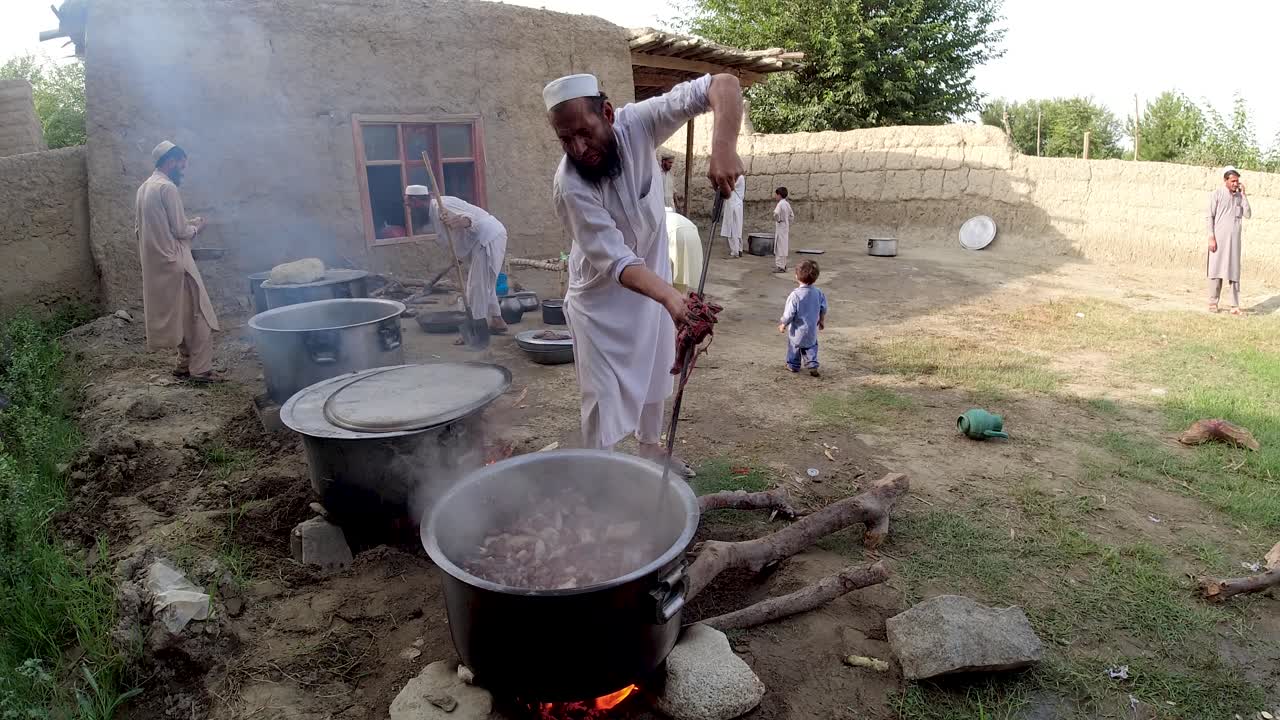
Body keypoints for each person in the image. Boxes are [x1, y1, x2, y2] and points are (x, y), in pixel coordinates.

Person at [544, 71, 743, 475]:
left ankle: (650, 448)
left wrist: (723, 146)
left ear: (608, 113)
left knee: (655, 372)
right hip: (601, 303)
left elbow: (723, 84)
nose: (579, 149)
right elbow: (617, 261)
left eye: (585, 132)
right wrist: (672, 298)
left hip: (653, 284)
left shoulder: (640, 123)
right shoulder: (570, 186)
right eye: (566, 140)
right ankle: (600, 473)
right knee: (602, 397)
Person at [135, 141, 221, 383]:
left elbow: (152, 228)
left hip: (158, 265)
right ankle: (201, 370)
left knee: (182, 316)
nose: (183, 168)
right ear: (170, 161)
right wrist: (198, 226)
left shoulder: (144, 188)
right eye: (181, 163)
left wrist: (186, 223)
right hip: (176, 262)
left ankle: (183, 366)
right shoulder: (167, 187)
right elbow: (181, 230)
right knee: (200, 315)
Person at [405, 185, 509, 339]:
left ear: (416, 201)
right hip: (479, 241)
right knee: (485, 284)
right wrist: (458, 255)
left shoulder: (441, 205)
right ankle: (497, 321)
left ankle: (476, 331)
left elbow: (469, 219)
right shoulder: (433, 211)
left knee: (477, 286)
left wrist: (458, 221)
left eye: (409, 205)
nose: (409, 210)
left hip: (487, 238)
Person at [1206, 166, 1251, 315]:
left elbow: (1248, 214)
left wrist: (1244, 195)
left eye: (1237, 181)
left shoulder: (1239, 197)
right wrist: (1211, 236)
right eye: (1232, 181)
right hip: (1218, 240)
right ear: (1225, 180)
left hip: (1234, 243)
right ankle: (1213, 302)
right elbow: (1209, 216)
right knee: (1215, 270)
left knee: (1234, 272)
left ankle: (1234, 305)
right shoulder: (1217, 194)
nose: (1235, 184)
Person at [778, 259, 826, 377]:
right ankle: (812, 364)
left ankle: (793, 365)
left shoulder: (795, 295)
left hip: (797, 330)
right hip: (811, 329)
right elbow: (823, 308)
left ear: (796, 276)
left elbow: (790, 313)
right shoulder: (818, 292)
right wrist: (822, 320)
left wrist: (783, 323)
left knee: (794, 346)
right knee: (811, 345)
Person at [720, 174, 745, 258]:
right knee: (735, 228)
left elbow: (731, 186)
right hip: (732, 204)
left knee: (734, 228)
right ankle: (738, 249)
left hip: (735, 205)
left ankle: (735, 251)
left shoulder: (740, 178)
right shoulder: (736, 177)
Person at [772, 186, 794, 273]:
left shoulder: (780, 204)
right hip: (786, 227)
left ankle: (779, 266)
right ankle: (783, 265)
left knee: (779, 247)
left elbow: (776, 214)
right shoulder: (787, 204)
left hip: (780, 227)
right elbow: (792, 216)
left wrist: (779, 220)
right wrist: (787, 222)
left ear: (779, 195)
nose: (775, 196)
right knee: (784, 246)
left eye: (776, 195)